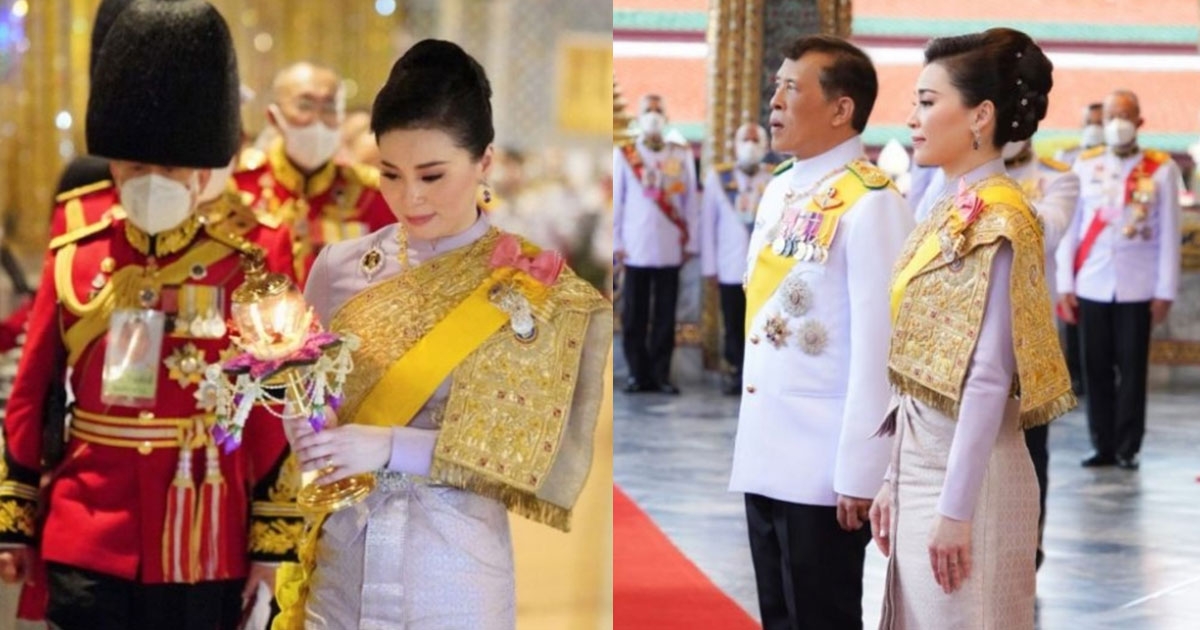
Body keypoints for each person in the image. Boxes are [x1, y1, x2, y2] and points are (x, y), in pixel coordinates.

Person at [269, 40, 611, 629]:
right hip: (341, 562)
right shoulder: (338, 266)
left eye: (432, 174)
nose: (410, 198)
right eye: (391, 174)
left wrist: (386, 446)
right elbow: (303, 387)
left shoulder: (529, 282)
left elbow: (532, 449)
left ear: (484, 162)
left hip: (453, 570)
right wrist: (304, 427)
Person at [0, 2, 302, 629]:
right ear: (112, 164)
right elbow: (30, 400)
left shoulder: (246, 267)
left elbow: (275, 407)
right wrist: (13, 522)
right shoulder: (72, 259)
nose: (152, 180)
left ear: (201, 171)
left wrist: (269, 547)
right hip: (87, 527)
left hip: (202, 531)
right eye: (137, 167)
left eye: (168, 168)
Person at [868, 28, 1075, 629]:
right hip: (923, 462)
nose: (912, 118)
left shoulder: (1003, 215)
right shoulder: (948, 205)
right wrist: (894, 476)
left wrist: (955, 510)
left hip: (971, 479)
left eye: (928, 102)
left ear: (981, 116)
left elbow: (987, 375)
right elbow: (921, 353)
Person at [728, 36, 914, 629]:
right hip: (766, 447)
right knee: (779, 615)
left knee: (822, 617)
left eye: (792, 88)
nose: (774, 101)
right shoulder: (783, 187)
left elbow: (880, 349)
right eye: (776, 86)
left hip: (822, 464)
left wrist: (862, 471)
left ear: (841, 109)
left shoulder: (872, 203)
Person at [1055, 89, 1181, 471]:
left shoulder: (1161, 169)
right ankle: (1102, 444)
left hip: (1138, 287)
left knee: (1131, 368)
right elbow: (1071, 230)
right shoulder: (1085, 165)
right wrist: (1065, 284)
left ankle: (1128, 446)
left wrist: (1164, 291)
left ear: (1140, 121)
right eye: (1111, 115)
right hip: (1092, 282)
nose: (1117, 123)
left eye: (1124, 115)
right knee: (1095, 368)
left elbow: (1169, 236)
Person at [233, 61, 395, 285]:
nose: (318, 119)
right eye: (305, 106)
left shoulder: (369, 195)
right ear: (273, 117)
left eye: (329, 108)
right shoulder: (239, 187)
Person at [613, 94, 700, 394]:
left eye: (658, 110)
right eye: (647, 110)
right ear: (638, 118)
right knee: (634, 315)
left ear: (666, 118)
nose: (653, 115)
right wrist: (617, 241)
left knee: (665, 314)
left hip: (670, 244)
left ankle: (661, 374)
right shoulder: (625, 154)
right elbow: (618, 200)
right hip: (635, 245)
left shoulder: (680, 154)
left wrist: (691, 240)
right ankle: (638, 374)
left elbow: (690, 201)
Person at [700, 122, 774, 395]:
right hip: (729, 265)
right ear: (735, 144)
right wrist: (710, 266)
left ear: (765, 147)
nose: (751, 145)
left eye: (756, 140)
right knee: (732, 323)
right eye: (746, 139)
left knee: (760, 323)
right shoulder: (718, 178)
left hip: (764, 269)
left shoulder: (774, 178)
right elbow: (707, 223)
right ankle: (734, 371)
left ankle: (756, 374)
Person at [1055, 102, 1105, 166]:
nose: (1093, 128)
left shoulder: (1116, 157)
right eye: (1089, 123)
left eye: (1099, 123)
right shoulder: (1065, 156)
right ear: (1082, 124)